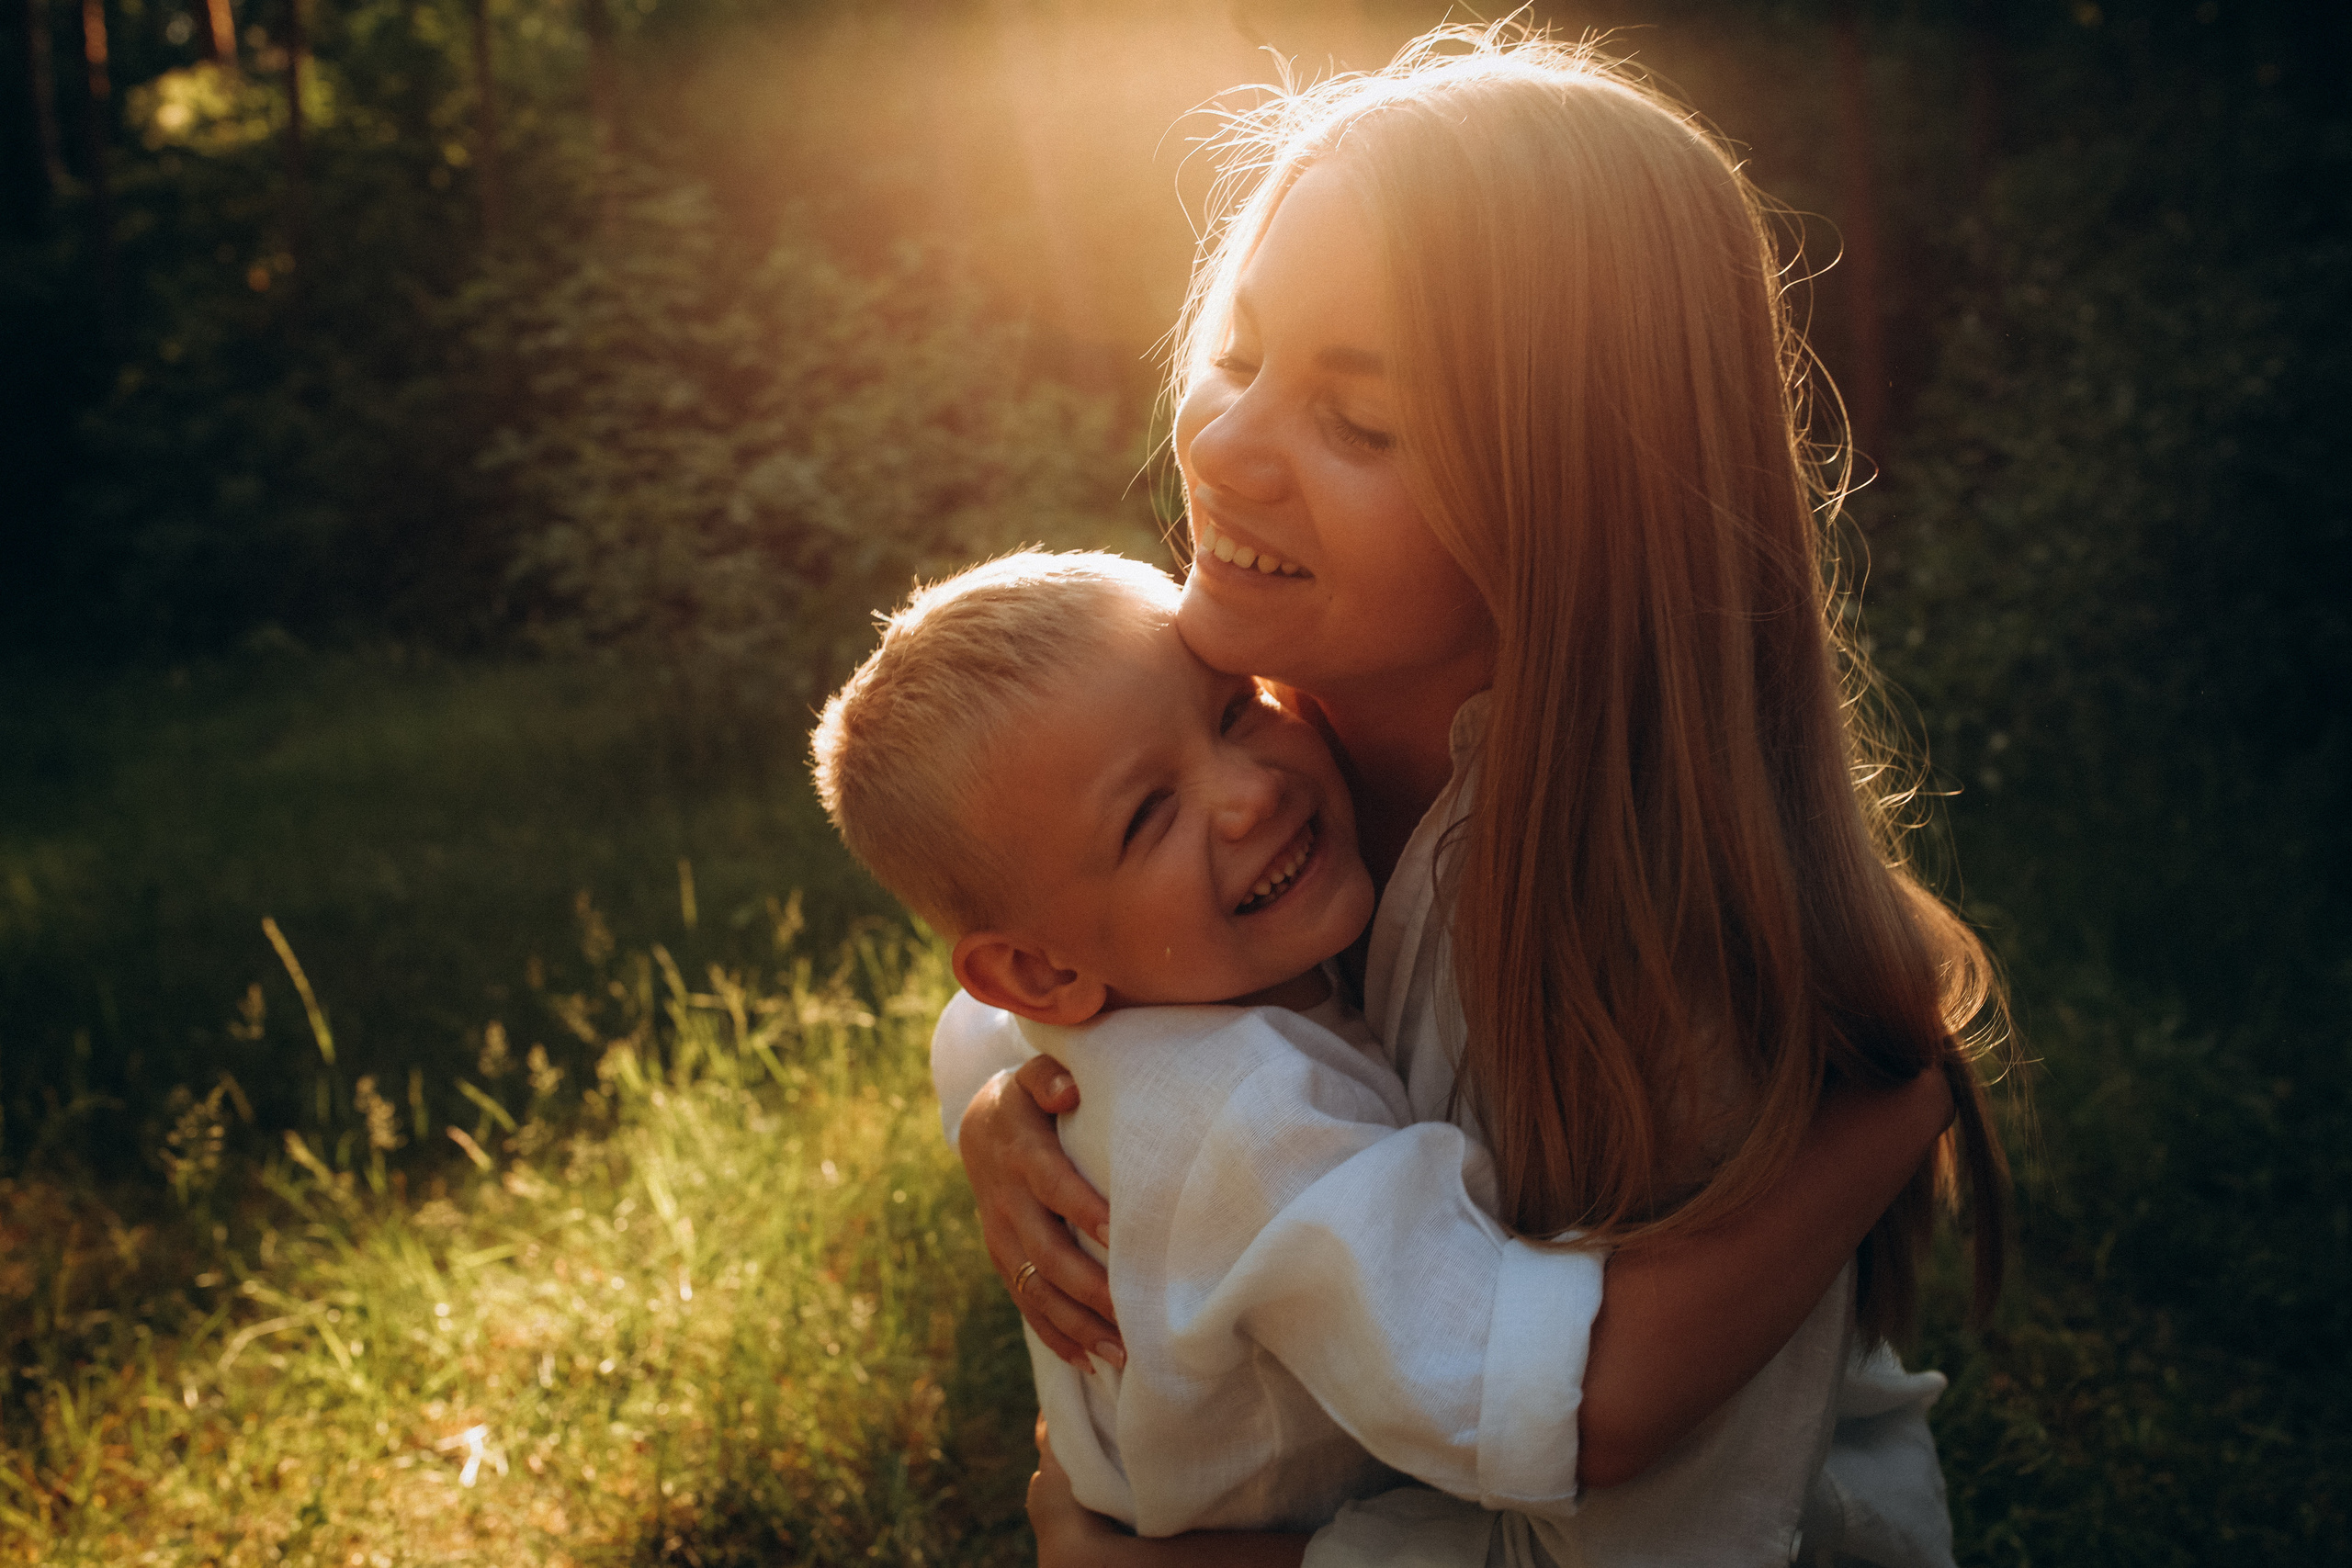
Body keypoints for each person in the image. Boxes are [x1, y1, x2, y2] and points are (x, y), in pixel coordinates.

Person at [953, 25, 2012, 1568]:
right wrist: (1046, 1094)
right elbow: (1045, 942)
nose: (1227, 442)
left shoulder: (1658, 971)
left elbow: (1639, 1527)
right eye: (1240, 356)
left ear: (1574, 504)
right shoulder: (1234, 740)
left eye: (1361, 421)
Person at [811, 550, 1950, 1554]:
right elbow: (1554, 1406)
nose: (1250, 791)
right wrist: (1889, 1118)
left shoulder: (1099, 1020)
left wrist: (990, 1105)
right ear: (1039, 976)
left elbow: (971, 1034)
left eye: (1232, 711)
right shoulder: (1253, 1121)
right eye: (1146, 814)